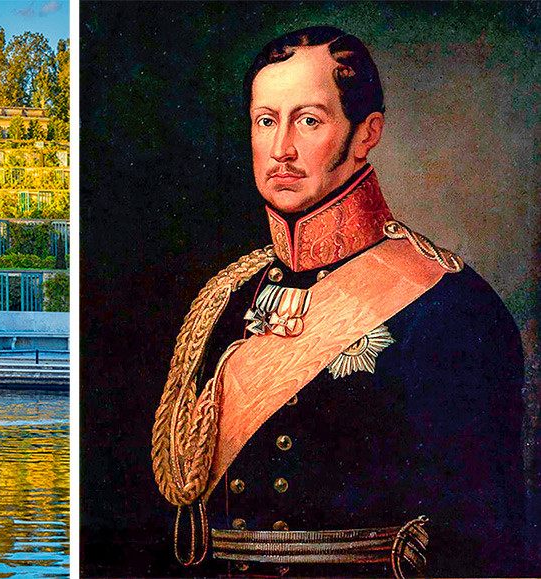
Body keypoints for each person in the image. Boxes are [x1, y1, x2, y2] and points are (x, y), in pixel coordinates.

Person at [149, 27, 528, 577]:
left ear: (366, 132)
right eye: (265, 121)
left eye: (308, 120)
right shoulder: (223, 300)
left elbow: (486, 545)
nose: (281, 149)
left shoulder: (451, 305)